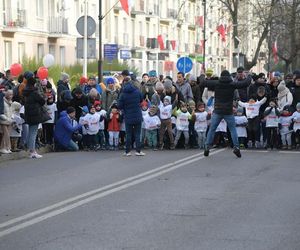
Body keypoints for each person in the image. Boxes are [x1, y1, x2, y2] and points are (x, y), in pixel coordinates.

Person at [203, 70, 252, 157]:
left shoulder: (216, 83)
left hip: (217, 110)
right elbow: (246, 83)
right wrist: (249, 75)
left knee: (212, 129)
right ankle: (236, 147)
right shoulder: (232, 84)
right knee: (232, 129)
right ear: (229, 76)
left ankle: (207, 146)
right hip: (228, 111)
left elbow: (203, 82)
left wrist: (203, 74)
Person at [117, 74, 145, 156]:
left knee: (128, 134)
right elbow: (141, 100)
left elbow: (119, 106)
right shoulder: (137, 91)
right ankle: (138, 151)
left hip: (128, 116)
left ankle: (127, 151)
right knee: (137, 134)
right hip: (137, 115)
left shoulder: (123, 94)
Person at [23, 75, 46, 158]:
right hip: (35, 114)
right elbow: (42, 101)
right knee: (33, 133)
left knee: (30, 132)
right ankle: (32, 152)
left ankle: (31, 151)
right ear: (34, 84)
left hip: (28, 114)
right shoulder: (34, 92)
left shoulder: (26, 92)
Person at [0, 89, 13, 154]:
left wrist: (12, 117)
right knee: (5, 134)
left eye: (12, 94)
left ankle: (7, 148)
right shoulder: (2, 100)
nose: (11, 96)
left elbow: (12, 110)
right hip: (4, 120)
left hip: (9, 120)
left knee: (8, 134)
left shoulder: (10, 102)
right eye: (10, 94)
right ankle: (3, 147)